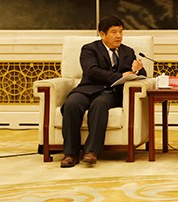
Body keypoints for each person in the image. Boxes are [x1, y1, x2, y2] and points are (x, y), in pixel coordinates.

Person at [60, 16, 146, 168]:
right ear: (102, 34)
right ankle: (70, 154)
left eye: (120, 32)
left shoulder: (127, 51)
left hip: (110, 93)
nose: (118, 36)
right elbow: (92, 71)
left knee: (99, 104)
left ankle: (91, 151)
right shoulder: (89, 49)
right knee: (72, 104)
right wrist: (120, 75)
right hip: (87, 89)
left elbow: (141, 75)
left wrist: (138, 70)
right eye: (114, 32)